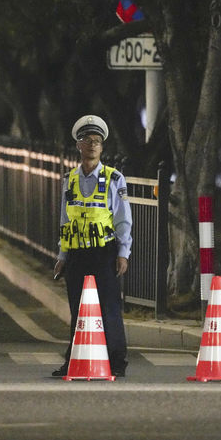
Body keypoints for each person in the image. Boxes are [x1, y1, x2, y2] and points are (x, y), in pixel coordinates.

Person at [52, 115, 132, 377]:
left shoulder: (114, 178)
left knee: (109, 308)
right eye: (88, 140)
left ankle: (116, 361)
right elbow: (65, 219)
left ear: (102, 147)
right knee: (78, 309)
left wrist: (123, 253)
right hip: (76, 253)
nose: (93, 145)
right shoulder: (69, 179)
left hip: (103, 252)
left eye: (97, 141)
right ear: (79, 145)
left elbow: (123, 220)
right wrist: (62, 255)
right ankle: (74, 360)